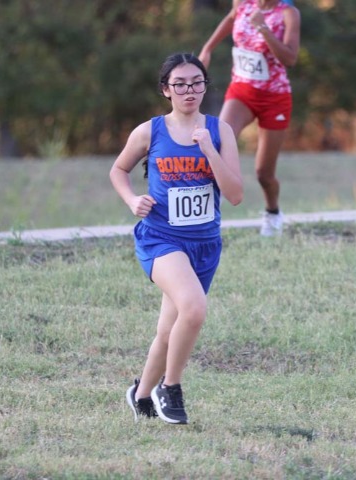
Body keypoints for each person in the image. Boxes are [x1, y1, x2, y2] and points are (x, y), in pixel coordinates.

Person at [109, 53, 243, 424]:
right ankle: (170, 387)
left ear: (205, 86)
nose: (189, 91)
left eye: (196, 83)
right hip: (160, 238)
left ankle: (140, 395)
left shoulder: (220, 131)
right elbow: (118, 169)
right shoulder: (149, 131)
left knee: (168, 331)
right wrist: (132, 199)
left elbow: (235, 194)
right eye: (180, 84)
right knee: (194, 309)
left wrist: (209, 150)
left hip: (205, 244)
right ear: (166, 90)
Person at [199, 0, 300, 236]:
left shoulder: (288, 14)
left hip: (275, 97)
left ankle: (272, 213)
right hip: (241, 91)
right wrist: (207, 48)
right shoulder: (243, 3)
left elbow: (290, 59)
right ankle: (211, 204)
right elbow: (231, 18)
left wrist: (263, 28)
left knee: (264, 174)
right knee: (218, 139)